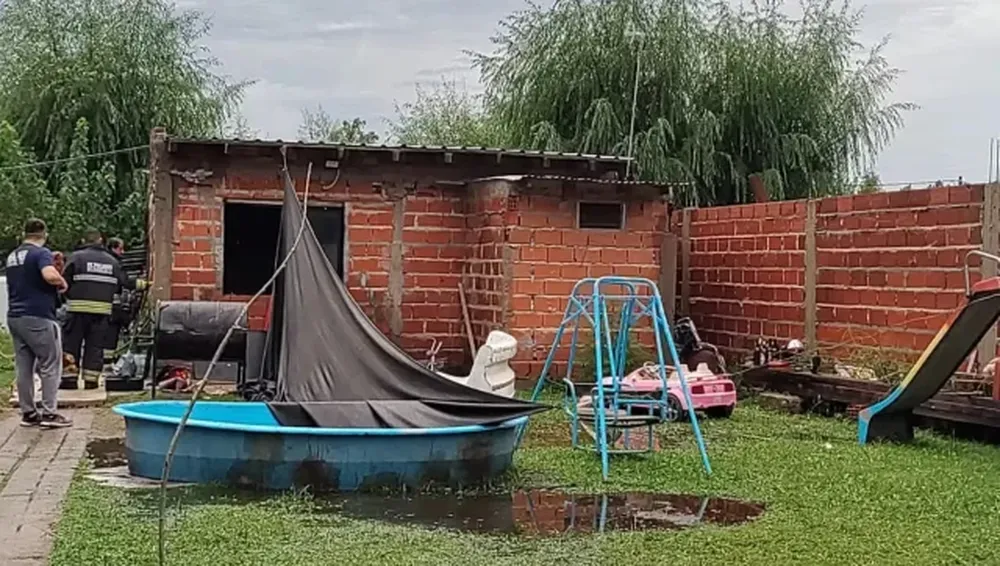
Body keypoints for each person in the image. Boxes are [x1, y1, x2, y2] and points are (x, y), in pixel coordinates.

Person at [5, 218, 73, 428]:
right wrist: (62, 282)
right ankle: (50, 414)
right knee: (50, 364)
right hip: (39, 316)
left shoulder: (13, 256)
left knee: (24, 367)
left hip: (15, 317)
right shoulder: (41, 253)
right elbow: (49, 274)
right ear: (44, 234)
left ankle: (28, 413)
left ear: (24, 233)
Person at [61, 229, 138, 390]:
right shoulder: (112, 262)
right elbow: (122, 283)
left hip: (77, 310)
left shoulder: (76, 258)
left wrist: (69, 297)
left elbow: (63, 283)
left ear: (83, 241)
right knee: (95, 347)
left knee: (71, 345)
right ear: (101, 241)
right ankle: (91, 381)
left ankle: (69, 380)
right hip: (102, 312)